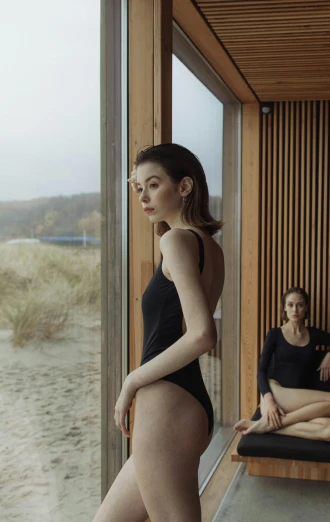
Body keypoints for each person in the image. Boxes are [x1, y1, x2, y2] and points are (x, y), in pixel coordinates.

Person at [93, 143, 224, 522]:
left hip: (166, 406)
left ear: (185, 186)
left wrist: (132, 380)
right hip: (184, 402)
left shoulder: (175, 241)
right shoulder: (209, 247)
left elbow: (201, 334)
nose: (144, 196)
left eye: (153, 185)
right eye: (138, 188)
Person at [234, 287, 330, 441]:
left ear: (306, 308)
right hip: (277, 393)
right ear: (284, 307)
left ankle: (269, 426)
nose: (295, 309)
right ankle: (269, 423)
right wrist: (270, 400)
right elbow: (261, 371)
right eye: (290, 304)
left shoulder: (314, 335)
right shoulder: (275, 334)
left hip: (298, 405)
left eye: (299, 305)